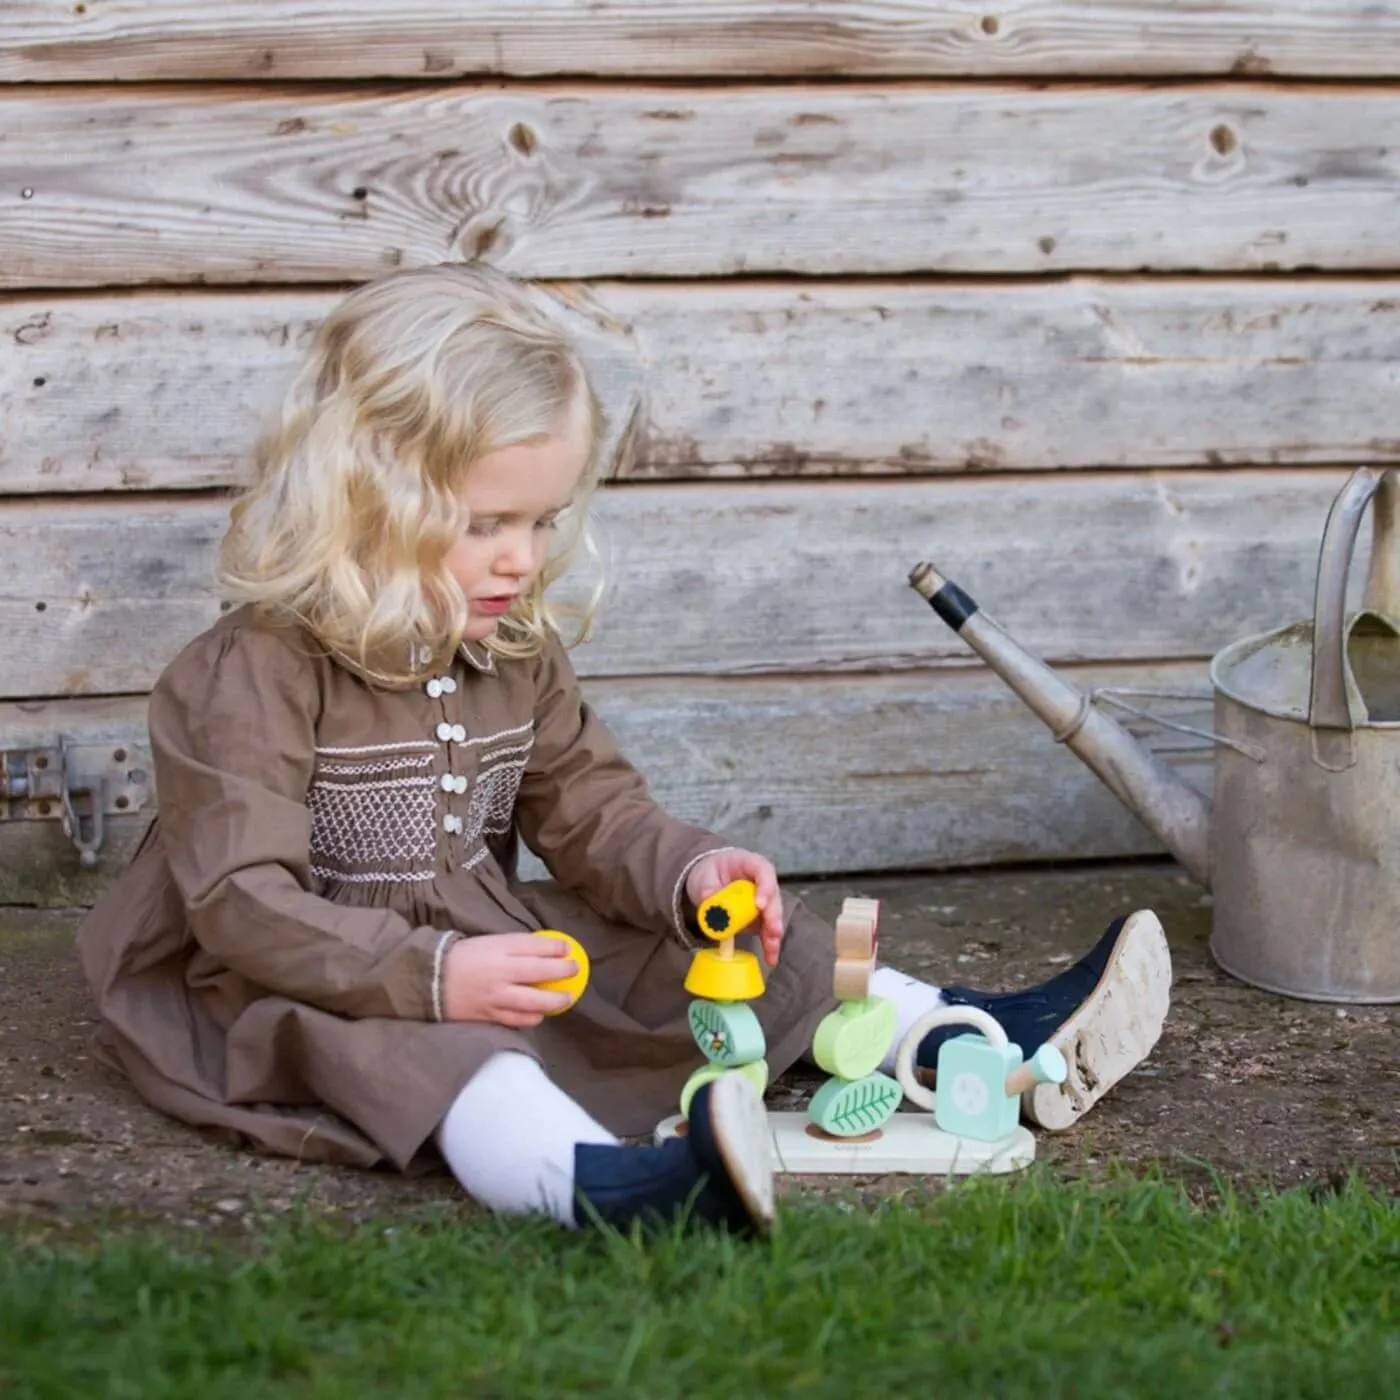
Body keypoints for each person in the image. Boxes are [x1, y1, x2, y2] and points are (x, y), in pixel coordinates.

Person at [75, 262, 1172, 1241]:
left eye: (542, 521)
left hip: (474, 943)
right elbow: (240, 900)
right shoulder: (256, 670)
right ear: (364, 502)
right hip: (298, 976)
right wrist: (431, 973)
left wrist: (689, 871)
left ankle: (959, 1038)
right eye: (483, 523)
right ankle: (605, 1181)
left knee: (699, 950)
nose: (519, 558)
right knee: (444, 1054)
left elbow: (590, 811)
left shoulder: (509, 645)